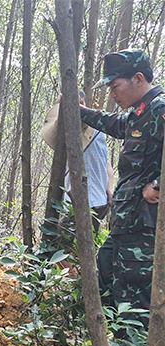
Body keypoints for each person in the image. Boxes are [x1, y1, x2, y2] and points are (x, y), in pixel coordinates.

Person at [79, 49, 165, 323]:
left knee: (136, 304)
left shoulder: (160, 109)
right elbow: (113, 123)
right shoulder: (140, 113)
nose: (113, 94)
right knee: (104, 274)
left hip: (145, 230)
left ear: (138, 79)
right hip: (126, 226)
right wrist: (79, 110)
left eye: (115, 87)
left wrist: (158, 185)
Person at [41, 90, 114, 256]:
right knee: (76, 251)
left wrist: (109, 188)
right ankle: (77, 278)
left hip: (89, 202)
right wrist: (109, 189)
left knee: (57, 251)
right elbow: (107, 162)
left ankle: (76, 279)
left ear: (80, 105)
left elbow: (106, 162)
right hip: (93, 201)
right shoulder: (74, 130)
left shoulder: (95, 129)